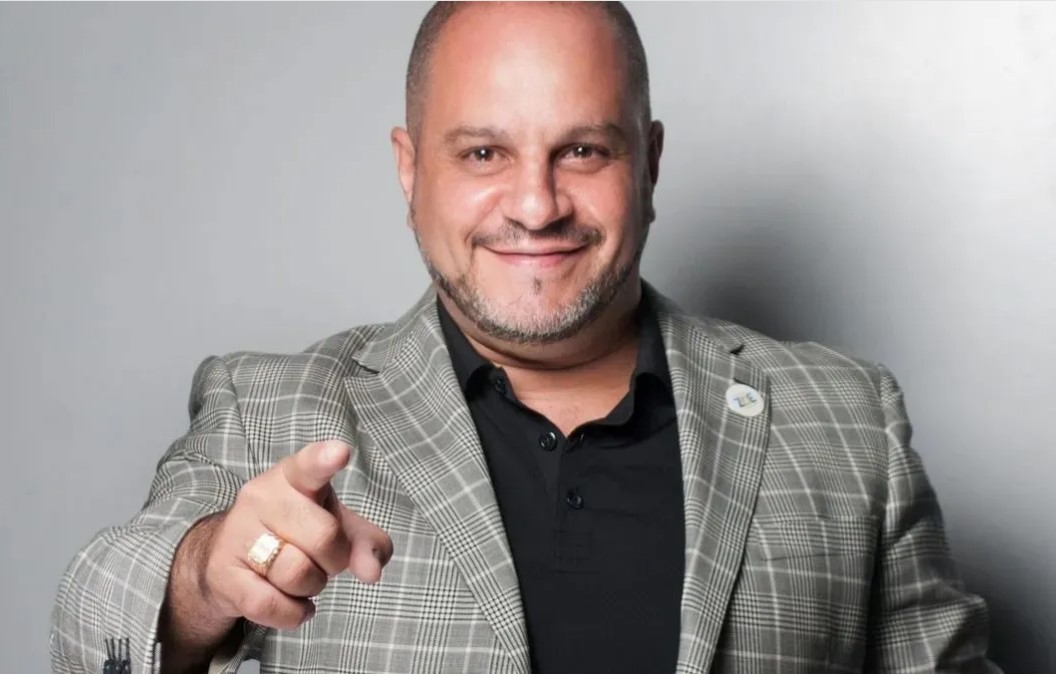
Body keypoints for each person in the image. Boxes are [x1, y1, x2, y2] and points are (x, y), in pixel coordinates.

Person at [51, 3, 1000, 673]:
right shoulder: (272, 409)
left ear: (649, 163)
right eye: (483, 153)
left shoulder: (846, 420)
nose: (537, 205)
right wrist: (205, 577)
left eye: (583, 150)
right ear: (410, 171)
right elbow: (93, 623)